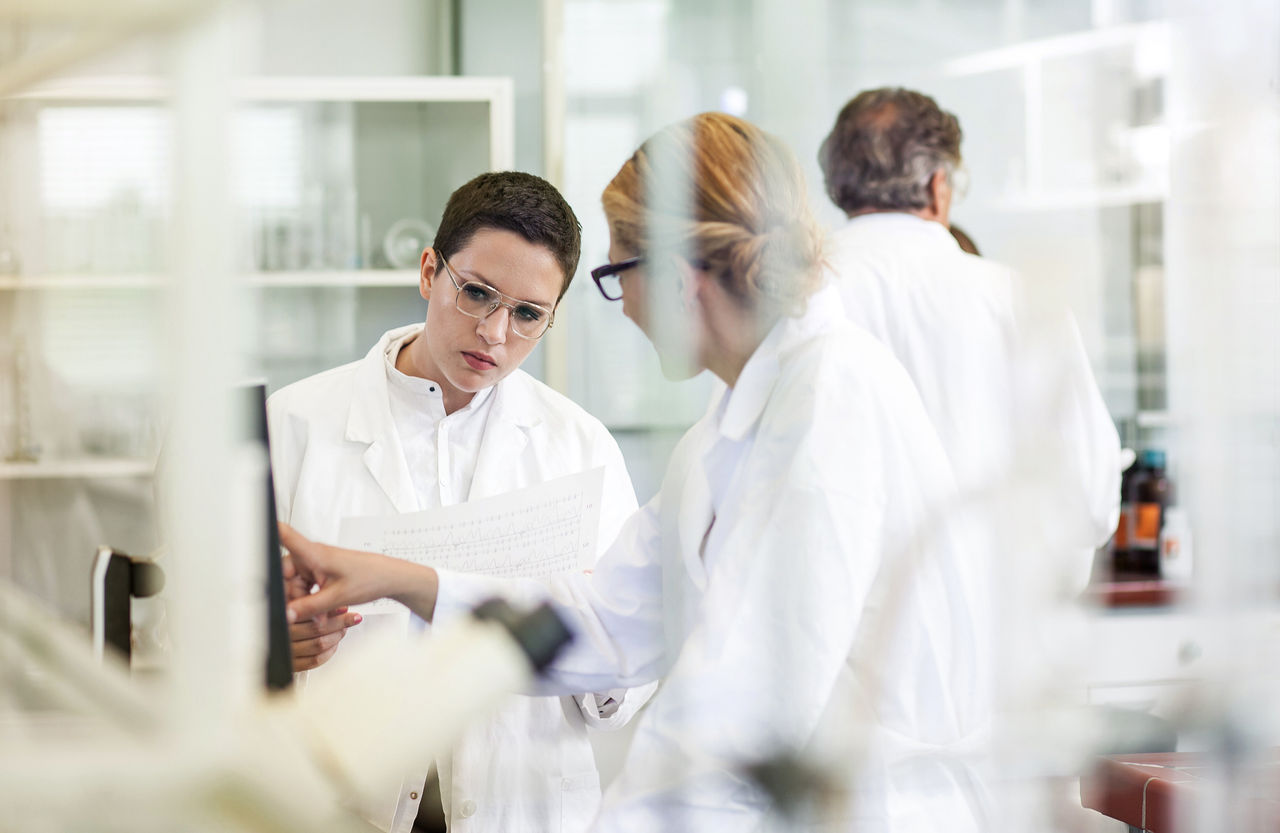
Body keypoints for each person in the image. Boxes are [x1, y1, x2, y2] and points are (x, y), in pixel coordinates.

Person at [282, 112, 992, 832]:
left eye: (617, 276)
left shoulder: (828, 404)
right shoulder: (734, 423)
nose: (623, 311)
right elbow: (603, 618)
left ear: (679, 280)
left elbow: (740, 710)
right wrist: (403, 579)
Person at [267, 171, 651, 833]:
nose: (495, 333)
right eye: (477, 293)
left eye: (528, 314)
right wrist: (276, 640)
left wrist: (592, 628)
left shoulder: (579, 445)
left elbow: (628, 674)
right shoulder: (294, 424)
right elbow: (199, 626)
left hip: (523, 806)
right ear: (429, 272)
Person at [817, 87, 1121, 590]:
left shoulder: (794, 297)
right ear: (939, 185)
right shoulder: (1015, 299)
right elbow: (1089, 496)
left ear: (838, 186)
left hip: (844, 620)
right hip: (992, 616)